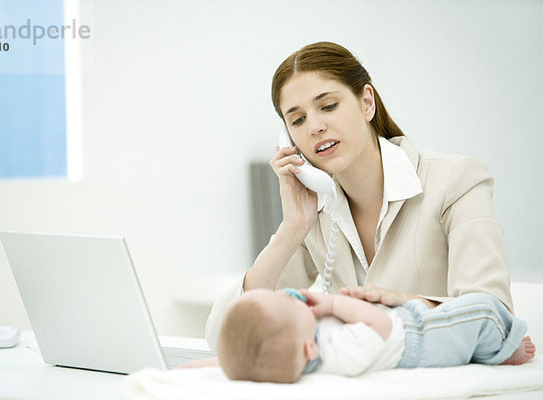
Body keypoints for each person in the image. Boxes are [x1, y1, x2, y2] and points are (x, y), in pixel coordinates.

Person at [205, 41, 514, 349]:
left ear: (367, 102)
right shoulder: (315, 214)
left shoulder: (455, 180)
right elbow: (224, 335)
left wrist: (401, 305)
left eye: (328, 106)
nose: (315, 126)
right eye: (297, 120)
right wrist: (292, 228)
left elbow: (494, 321)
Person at [217, 288, 535, 383]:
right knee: (479, 309)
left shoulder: (301, 345)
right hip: (420, 340)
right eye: (287, 303)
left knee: (468, 311)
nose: (290, 296)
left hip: (406, 320)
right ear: (310, 348)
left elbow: (238, 357)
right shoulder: (335, 354)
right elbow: (378, 326)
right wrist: (332, 303)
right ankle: (504, 350)